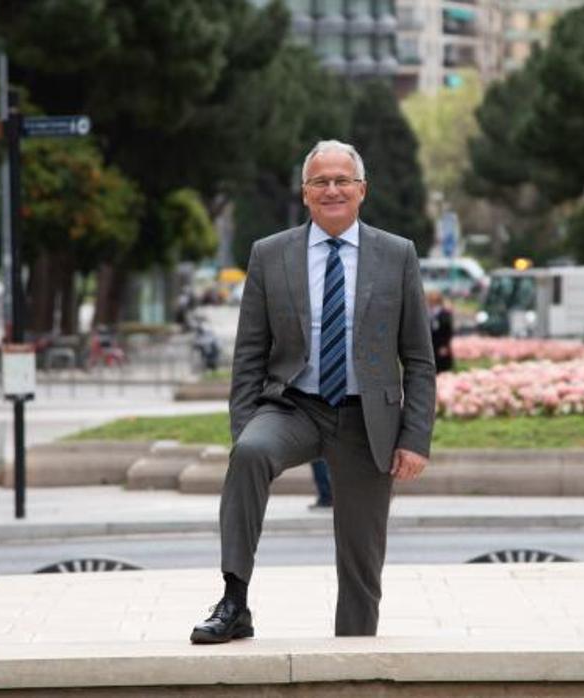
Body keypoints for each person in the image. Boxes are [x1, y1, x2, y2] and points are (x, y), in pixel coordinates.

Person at [190, 140, 436, 644]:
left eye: (342, 180)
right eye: (320, 182)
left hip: (367, 418)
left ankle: (355, 655)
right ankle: (234, 601)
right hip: (293, 407)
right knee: (252, 453)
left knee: (362, 562)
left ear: (361, 190)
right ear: (305, 194)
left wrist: (414, 437)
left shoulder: (397, 254)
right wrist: (244, 431)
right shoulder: (269, 254)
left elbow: (419, 357)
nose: (332, 190)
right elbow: (249, 356)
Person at [427, 289, 453, 373]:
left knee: (442, 367)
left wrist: (445, 345)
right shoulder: (428, 313)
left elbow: (448, 332)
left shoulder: (444, 314)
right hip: (431, 344)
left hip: (441, 344)